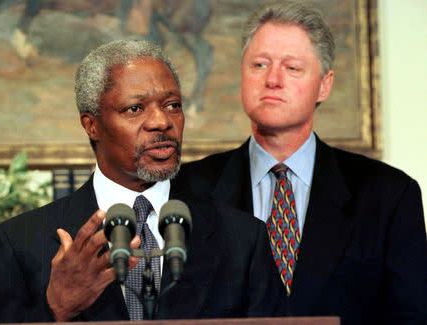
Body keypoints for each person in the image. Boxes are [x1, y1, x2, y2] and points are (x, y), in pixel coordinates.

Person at [0, 40, 283, 322]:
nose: (162, 122)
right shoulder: (20, 243)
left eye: (172, 104)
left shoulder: (243, 239)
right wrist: (56, 308)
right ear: (92, 125)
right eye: (135, 109)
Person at [173, 1, 427, 325]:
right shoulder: (184, 191)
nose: (273, 80)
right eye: (260, 65)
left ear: (324, 84)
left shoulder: (389, 196)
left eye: (292, 68)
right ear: (242, 75)